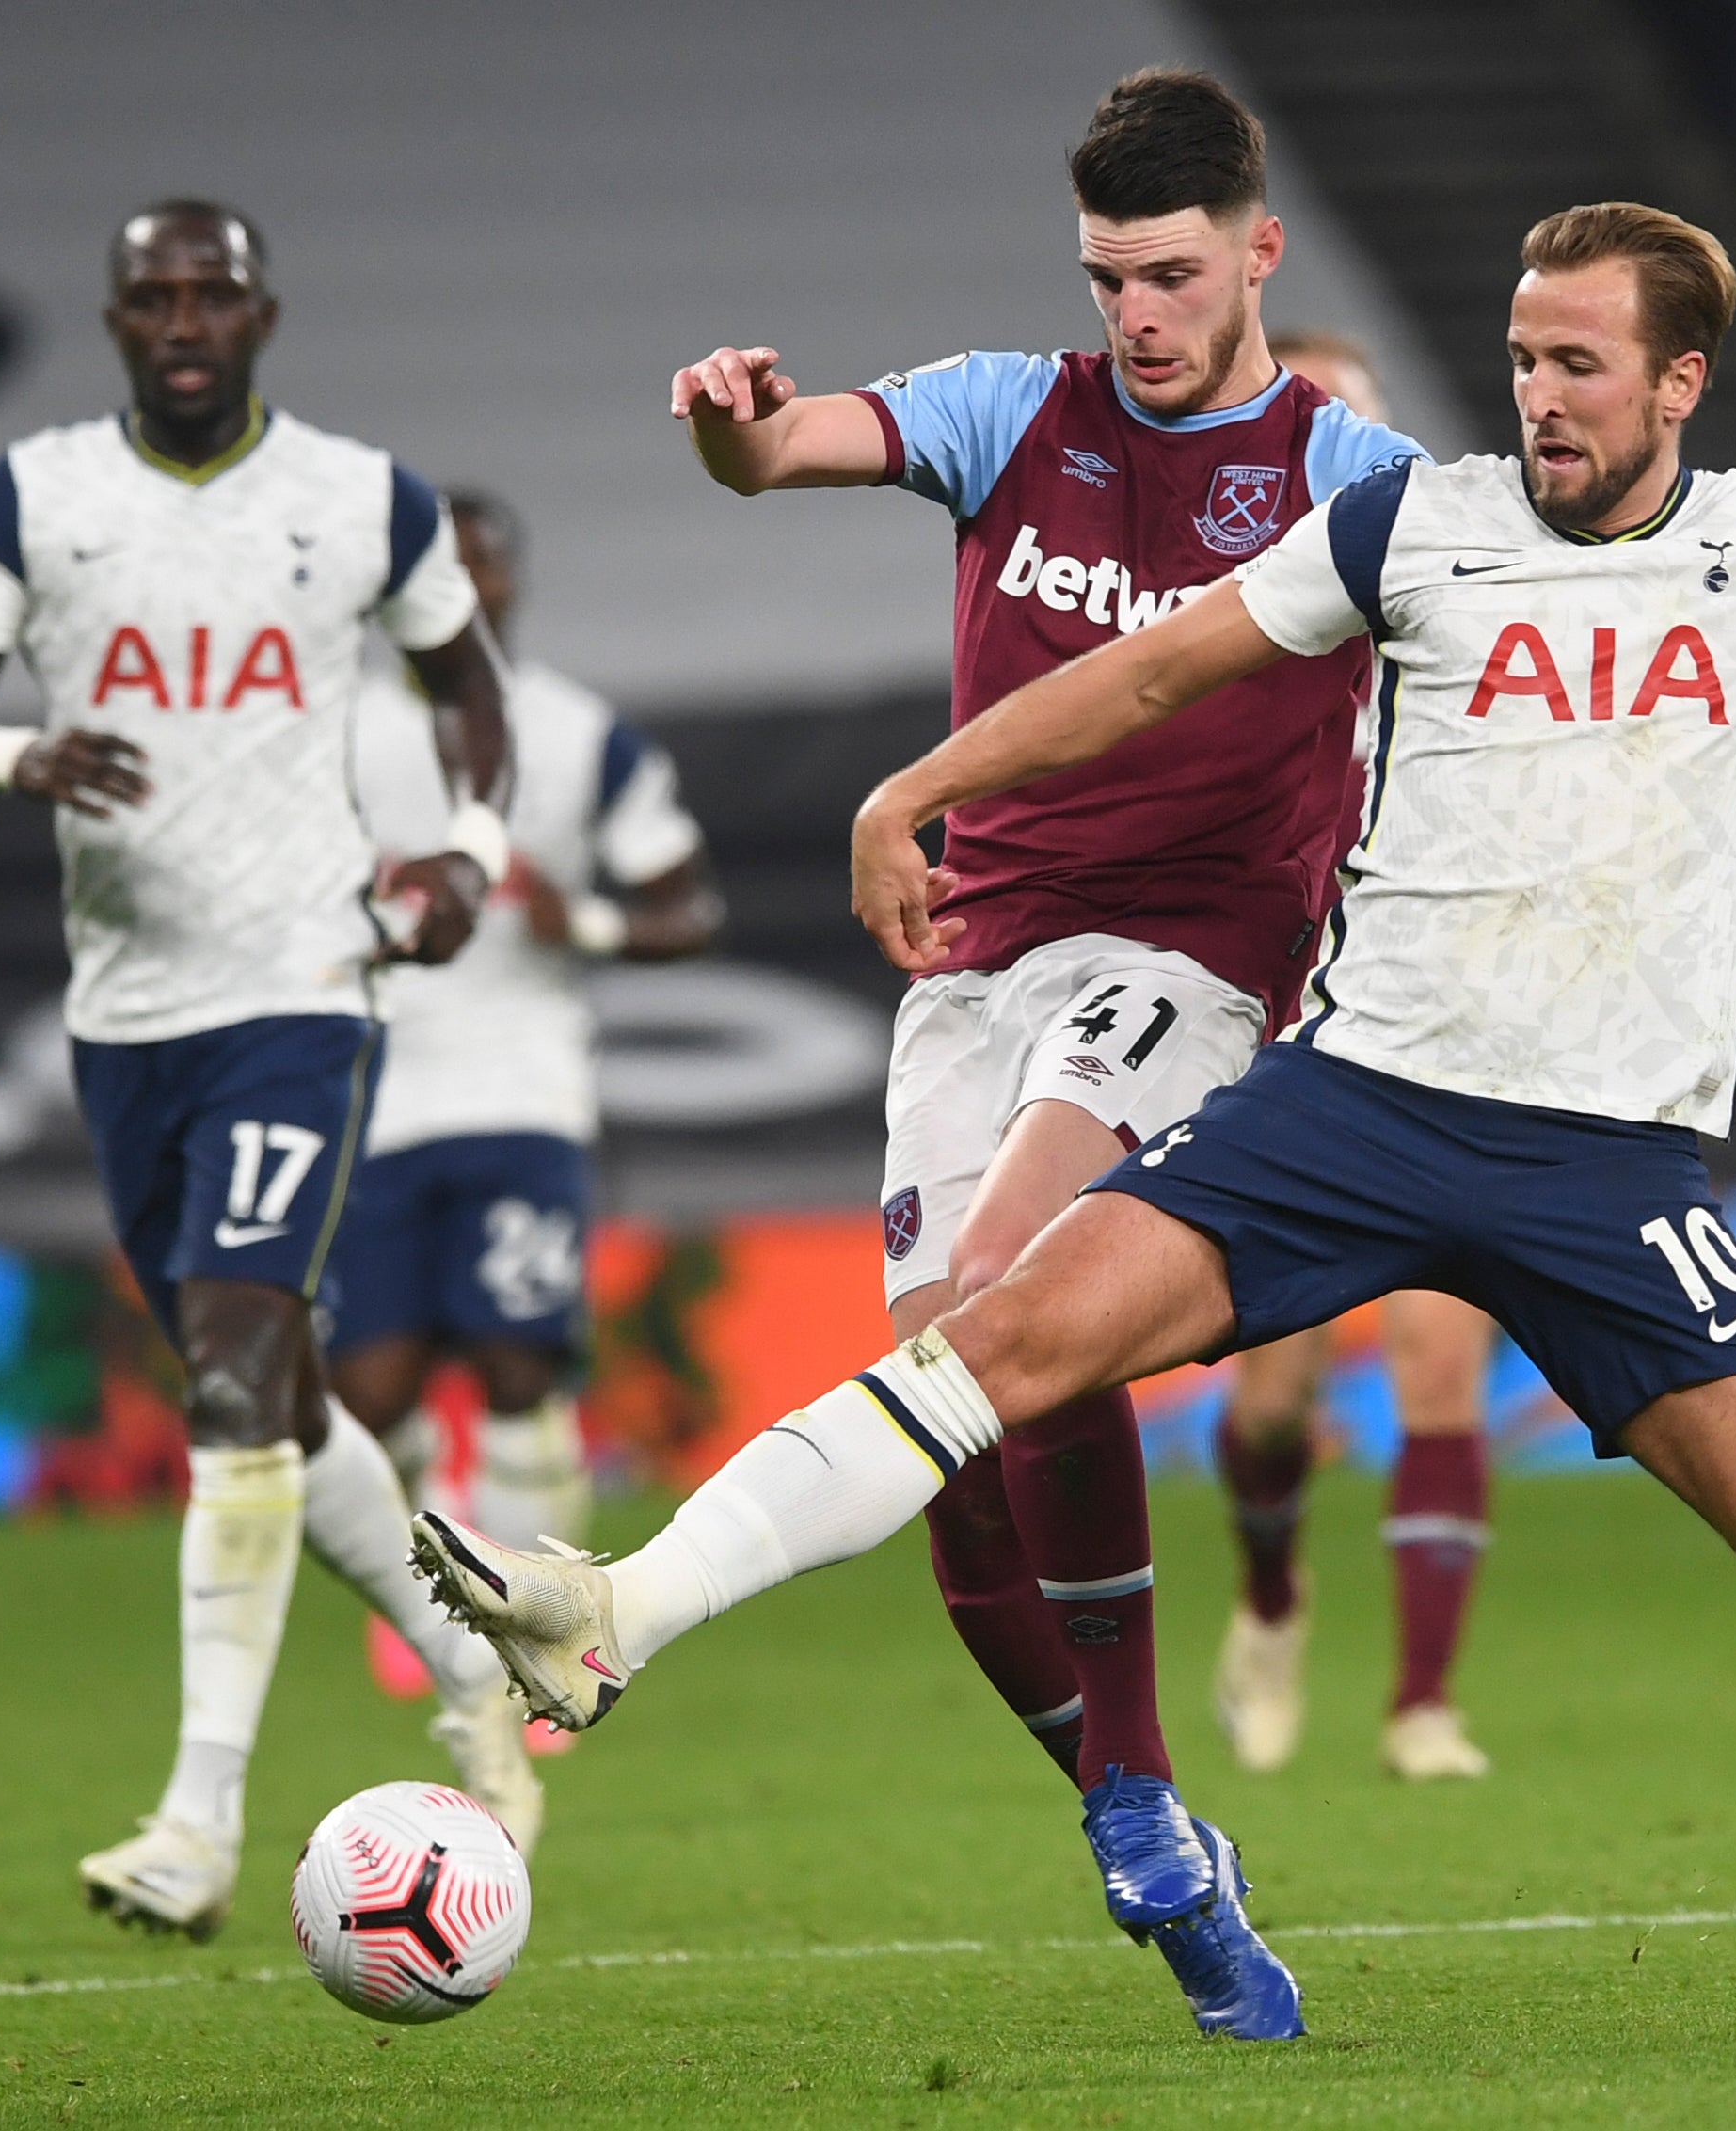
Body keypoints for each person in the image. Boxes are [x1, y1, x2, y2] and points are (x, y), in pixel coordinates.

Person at [421, 198, 1736, 2018]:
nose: (1537, 397)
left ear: (1683, 380)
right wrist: (921, 778)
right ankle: (619, 1604)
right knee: (994, 1344)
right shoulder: (1412, 523)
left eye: (1579, 365)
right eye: (1524, 358)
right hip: (1353, 1104)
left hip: (1602, 1162)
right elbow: (1158, 665)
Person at [647, 71, 1420, 2039]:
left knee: (1000, 1292)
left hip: (1193, 951)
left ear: (1257, 251)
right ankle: (1142, 1820)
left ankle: (1142, 1777)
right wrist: (740, 432)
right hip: (977, 959)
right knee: (951, 1430)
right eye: (1105, 280)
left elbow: (1485, 648)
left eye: (1168, 276)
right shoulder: (1016, 406)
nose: (1135, 319)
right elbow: (804, 445)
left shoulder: (1352, 467)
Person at [0, 200, 542, 1941]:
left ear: (263, 316)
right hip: (125, 1018)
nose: (184, 318)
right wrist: (20, 750)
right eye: (153, 294)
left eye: (213, 293)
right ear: (112, 320)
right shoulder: (33, 498)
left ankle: (196, 1821)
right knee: (275, 1394)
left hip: (300, 989)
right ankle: (481, 1657)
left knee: (239, 1378)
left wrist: (469, 852)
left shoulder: (359, 498)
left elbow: (467, 683)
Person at [326, 485, 721, 1726]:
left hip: (523, 1087)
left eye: (481, 567)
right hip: (377, 1093)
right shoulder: (324, 739)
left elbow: (686, 901)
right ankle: (426, 1596)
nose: (463, 589)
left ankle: (533, 1630)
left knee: (514, 1360)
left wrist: (589, 919)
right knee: (368, 1391)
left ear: (510, 584)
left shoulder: (575, 734)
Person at [1213, 330, 1503, 1785]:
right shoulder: (1231, 639)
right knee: (1269, 1405)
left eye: (1368, 435)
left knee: (1437, 1358)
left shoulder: (1455, 618)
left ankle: (1420, 1704)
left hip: (1436, 1021)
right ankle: (1270, 1599)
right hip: (1277, 1021)